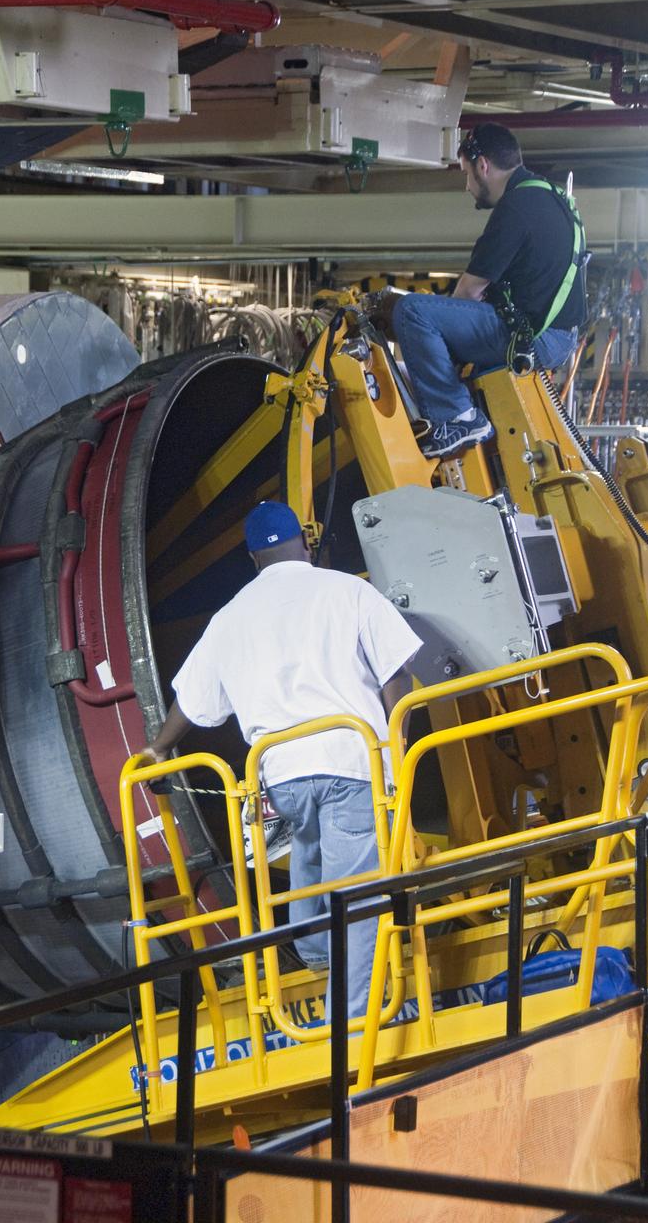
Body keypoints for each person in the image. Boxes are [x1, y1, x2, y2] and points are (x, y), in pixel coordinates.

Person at [144, 500, 422, 1021]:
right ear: (306, 542)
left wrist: (159, 748)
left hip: (280, 774)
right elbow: (396, 671)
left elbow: (194, 699)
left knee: (310, 853)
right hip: (351, 758)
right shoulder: (347, 591)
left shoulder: (230, 617)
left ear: (253, 559)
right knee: (355, 893)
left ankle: (316, 951)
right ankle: (355, 1016)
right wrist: (395, 744)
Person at [392, 122, 587, 460]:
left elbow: (469, 292)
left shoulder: (515, 208)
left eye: (467, 174)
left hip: (534, 337)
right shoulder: (552, 198)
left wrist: (440, 350)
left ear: (483, 165)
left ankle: (456, 417)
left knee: (413, 311)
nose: (468, 186)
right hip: (557, 336)